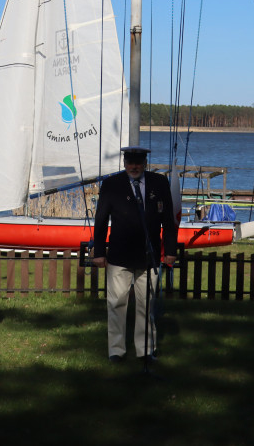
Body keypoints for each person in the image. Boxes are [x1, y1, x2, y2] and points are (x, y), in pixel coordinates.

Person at [92, 146, 177, 362]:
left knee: (146, 305)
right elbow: (101, 221)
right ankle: (116, 351)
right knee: (116, 304)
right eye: (130, 162)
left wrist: (170, 250)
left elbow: (168, 220)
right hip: (119, 255)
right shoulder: (112, 184)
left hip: (149, 256)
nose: (134, 167)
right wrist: (99, 252)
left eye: (138, 163)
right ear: (124, 163)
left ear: (145, 163)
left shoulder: (159, 183)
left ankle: (146, 350)